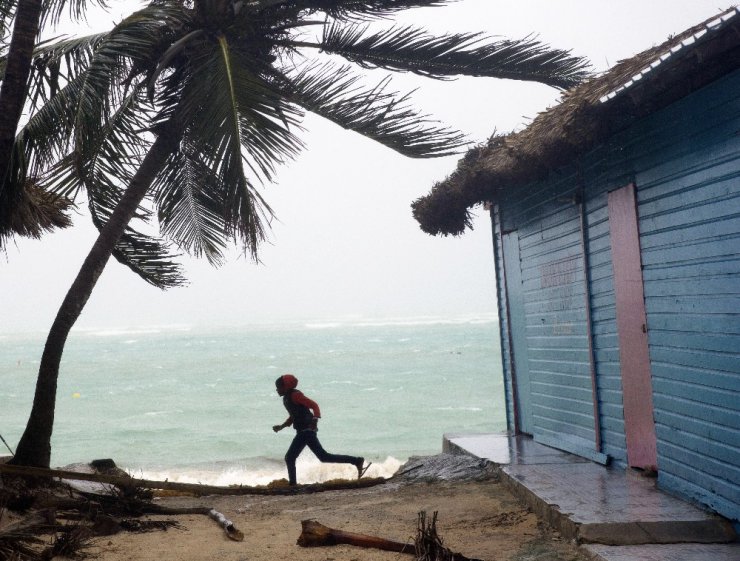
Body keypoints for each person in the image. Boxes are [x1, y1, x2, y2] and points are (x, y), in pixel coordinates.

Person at [272, 374, 371, 486]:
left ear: (286, 386)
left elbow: (314, 405)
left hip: (307, 431)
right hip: (303, 431)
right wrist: (282, 426)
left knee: (290, 457)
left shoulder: (295, 395)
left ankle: (293, 486)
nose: (277, 390)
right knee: (324, 457)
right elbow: (293, 416)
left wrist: (315, 419)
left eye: (279, 387)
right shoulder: (287, 398)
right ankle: (357, 461)